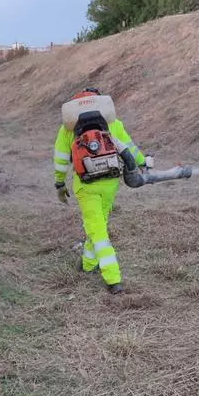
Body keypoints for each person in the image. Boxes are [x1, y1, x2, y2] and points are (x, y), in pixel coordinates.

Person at [53, 87, 147, 295]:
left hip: (86, 186)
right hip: (110, 183)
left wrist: (59, 183)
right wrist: (142, 162)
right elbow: (129, 148)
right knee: (98, 225)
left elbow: (60, 160)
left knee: (98, 231)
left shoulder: (67, 128)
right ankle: (87, 264)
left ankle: (113, 279)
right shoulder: (113, 123)